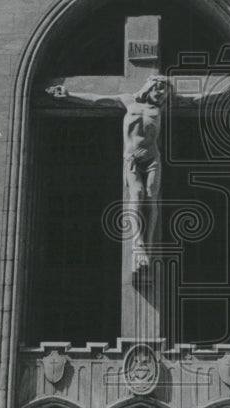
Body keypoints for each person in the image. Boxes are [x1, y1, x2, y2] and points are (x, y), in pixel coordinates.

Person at [47, 76, 169, 272]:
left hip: (152, 159)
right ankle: (138, 245)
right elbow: (97, 99)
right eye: (161, 89)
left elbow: (196, 99)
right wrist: (69, 94)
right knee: (136, 195)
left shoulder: (160, 108)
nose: (163, 94)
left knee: (151, 198)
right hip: (132, 159)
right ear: (150, 86)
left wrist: (222, 96)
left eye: (166, 91)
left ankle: (149, 246)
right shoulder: (127, 100)